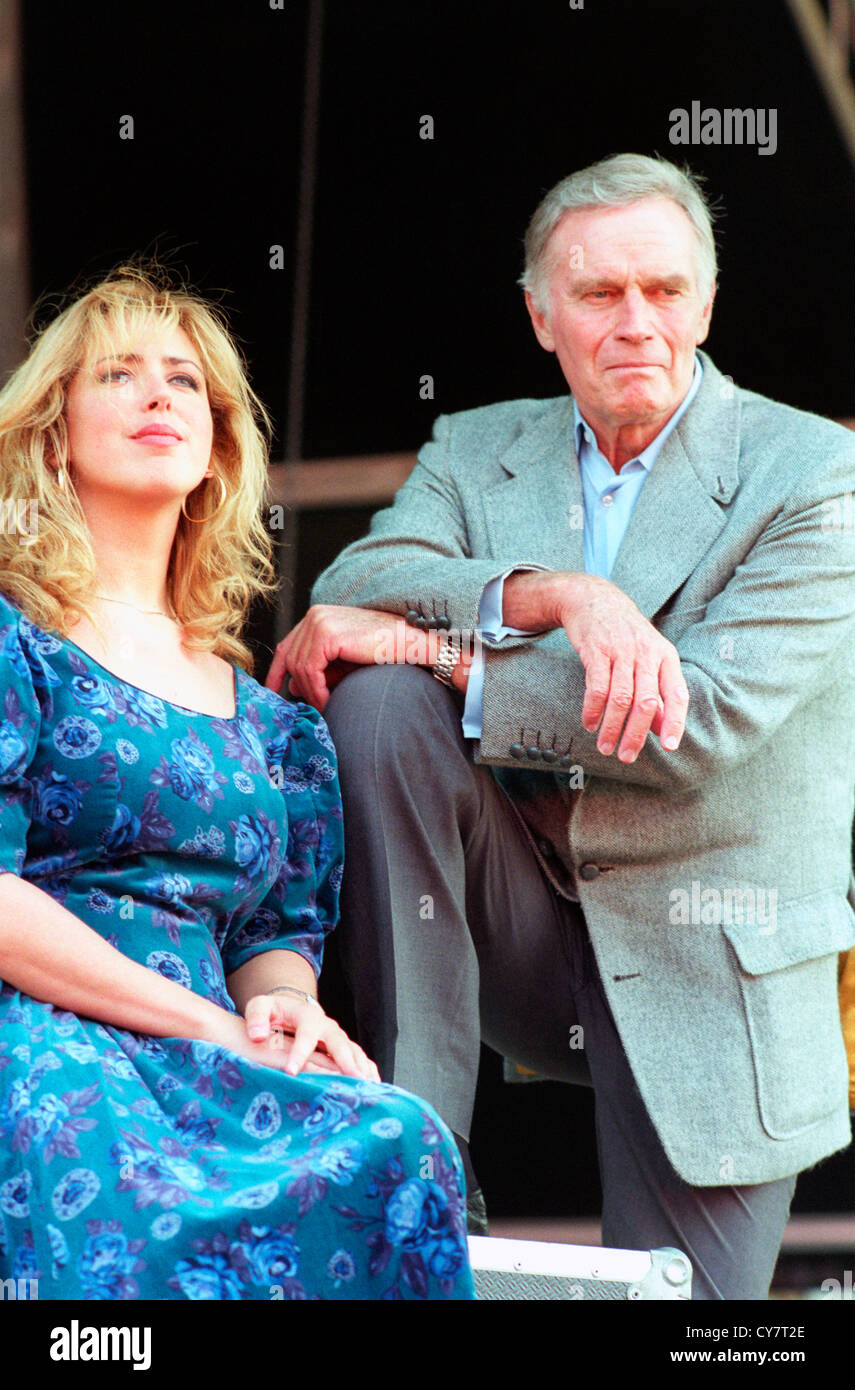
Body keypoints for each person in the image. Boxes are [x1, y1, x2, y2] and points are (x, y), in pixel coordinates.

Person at [268, 154, 855, 1301]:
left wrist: (450, 649)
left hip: (713, 965)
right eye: (597, 294)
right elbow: (358, 586)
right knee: (381, 703)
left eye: (665, 289)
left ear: (708, 303)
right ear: (542, 315)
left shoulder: (817, 472)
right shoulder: (479, 445)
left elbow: (695, 720)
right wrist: (558, 594)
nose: (635, 320)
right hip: (520, 920)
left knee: (695, 1324)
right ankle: (421, 1150)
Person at [0, 268, 474, 1301]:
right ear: (50, 429)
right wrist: (207, 1025)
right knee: (83, 1150)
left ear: (217, 446)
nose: (158, 394)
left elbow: (268, 939)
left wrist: (288, 1014)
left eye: (184, 381)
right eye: (118, 374)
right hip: (42, 1028)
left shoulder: (273, 725)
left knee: (399, 1136)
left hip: (210, 1049)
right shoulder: (11, 641)